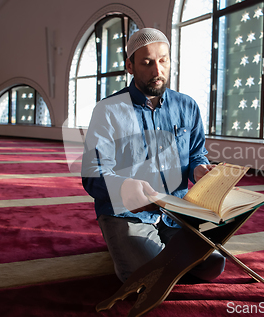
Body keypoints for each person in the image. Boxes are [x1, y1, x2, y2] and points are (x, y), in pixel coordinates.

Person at [81, 28, 225, 283]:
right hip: (126, 212)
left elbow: (196, 154)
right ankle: (125, 243)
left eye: (163, 60)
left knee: (213, 264)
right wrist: (125, 186)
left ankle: (152, 251)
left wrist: (199, 169)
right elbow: (93, 174)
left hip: (174, 212)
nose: (157, 71)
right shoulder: (108, 111)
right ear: (130, 66)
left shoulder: (187, 106)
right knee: (146, 275)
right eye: (147, 63)